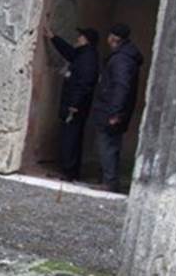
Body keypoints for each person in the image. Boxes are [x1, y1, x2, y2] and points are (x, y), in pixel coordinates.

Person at [43, 24, 100, 181]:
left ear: (87, 41)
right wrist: (53, 37)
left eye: (81, 36)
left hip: (75, 107)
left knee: (71, 137)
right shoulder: (83, 54)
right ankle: (69, 170)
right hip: (75, 104)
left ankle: (68, 172)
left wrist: (75, 104)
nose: (77, 38)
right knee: (71, 136)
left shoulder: (87, 59)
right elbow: (69, 52)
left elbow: (85, 84)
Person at [92, 23, 144, 192]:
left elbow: (121, 87)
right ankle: (108, 179)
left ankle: (109, 182)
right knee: (110, 145)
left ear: (114, 38)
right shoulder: (126, 57)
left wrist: (115, 112)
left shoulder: (121, 60)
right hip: (115, 109)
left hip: (111, 110)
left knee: (107, 145)